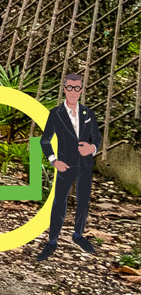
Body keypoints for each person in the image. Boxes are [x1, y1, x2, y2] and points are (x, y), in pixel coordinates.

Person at [36, 71, 101, 259]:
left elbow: (97, 138)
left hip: (85, 164)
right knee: (59, 202)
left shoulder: (88, 113)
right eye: (70, 87)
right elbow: (45, 141)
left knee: (83, 200)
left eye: (77, 88)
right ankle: (52, 240)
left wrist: (92, 148)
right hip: (65, 164)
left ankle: (78, 235)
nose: (73, 91)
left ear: (81, 90)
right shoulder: (55, 114)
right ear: (65, 89)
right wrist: (54, 161)